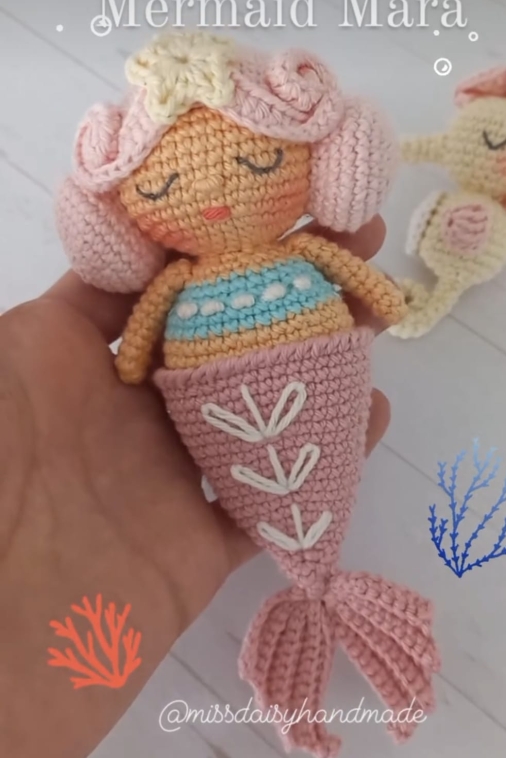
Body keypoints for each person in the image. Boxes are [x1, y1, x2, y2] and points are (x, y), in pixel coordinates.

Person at [0, 217, 390, 758]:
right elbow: (139, 342)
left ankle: (318, 586)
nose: (214, 198)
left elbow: (137, 350)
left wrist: (133, 361)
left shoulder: (264, 262)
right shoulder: (188, 278)